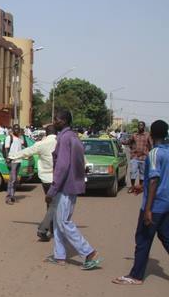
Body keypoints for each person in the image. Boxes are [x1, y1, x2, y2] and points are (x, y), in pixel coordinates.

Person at [45, 109, 103, 269]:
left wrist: (52, 190)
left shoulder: (64, 139)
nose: (54, 122)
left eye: (56, 119)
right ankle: (59, 256)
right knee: (58, 222)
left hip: (65, 187)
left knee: (63, 222)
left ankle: (89, 252)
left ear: (63, 121)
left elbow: (62, 166)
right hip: (72, 185)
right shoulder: (74, 137)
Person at [113, 120, 169, 285]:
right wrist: (141, 187)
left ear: (151, 134)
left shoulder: (154, 153)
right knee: (166, 237)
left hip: (155, 205)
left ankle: (135, 276)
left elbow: (153, 180)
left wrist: (148, 210)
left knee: (143, 239)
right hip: (166, 204)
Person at [9, 124, 57, 241]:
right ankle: (46, 228)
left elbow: (27, 152)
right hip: (59, 178)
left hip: (46, 179)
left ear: (46, 133)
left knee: (51, 204)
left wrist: (12, 156)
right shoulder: (62, 142)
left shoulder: (41, 144)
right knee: (58, 205)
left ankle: (51, 228)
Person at [126, 121, 153, 195]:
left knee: (142, 173)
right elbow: (129, 142)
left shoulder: (147, 135)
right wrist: (132, 150)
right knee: (133, 172)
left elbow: (151, 146)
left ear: (144, 127)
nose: (140, 127)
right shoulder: (134, 135)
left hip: (144, 158)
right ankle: (132, 187)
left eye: (142, 125)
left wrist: (147, 153)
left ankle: (140, 187)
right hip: (135, 157)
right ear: (138, 127)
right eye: (139, 125)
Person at [3, 124, 25, 205]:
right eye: (15, 129)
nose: (17, 130)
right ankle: (8, 197)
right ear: (12, 129)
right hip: (12, 161)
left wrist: (23, 134)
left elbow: (24, 144)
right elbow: (6, 148)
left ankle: (12, 195)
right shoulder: (9, 137)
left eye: (18, 129)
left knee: (15, 180)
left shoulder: (20, 138)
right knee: (12, 180)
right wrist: (8, 159)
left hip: (19, 160)